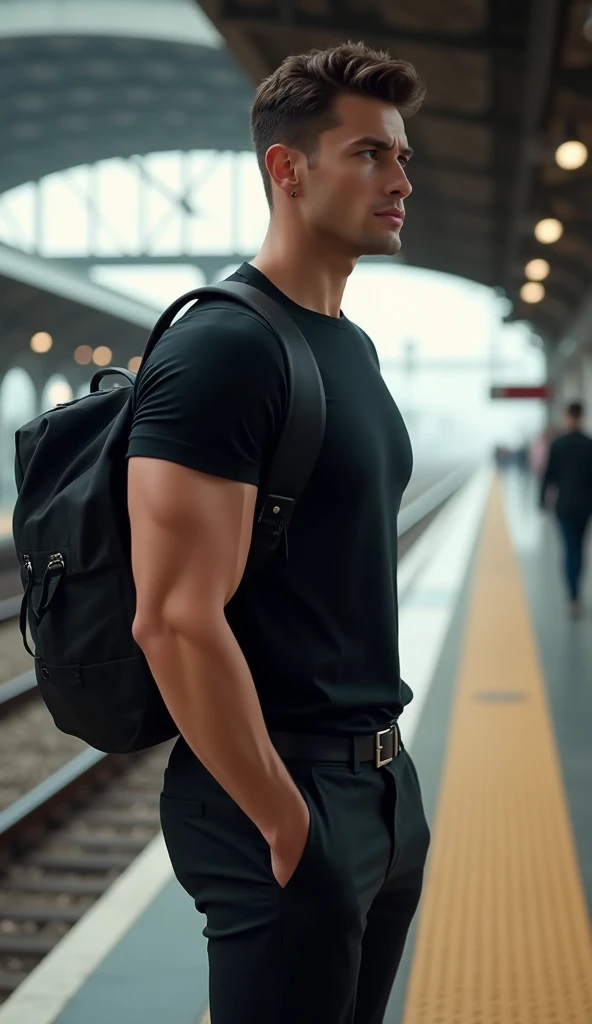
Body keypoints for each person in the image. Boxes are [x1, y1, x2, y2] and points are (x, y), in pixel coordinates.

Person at [126, 42, 430, 1024]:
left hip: (379, 783)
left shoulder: (349, 344)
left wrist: (384, 805)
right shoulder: (224, 351)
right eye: (369, 155)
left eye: (401, 156)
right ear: (286, 169)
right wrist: (282, 818)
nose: (401, 179)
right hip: (281, 791)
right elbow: (172, 616)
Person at [540, 401, 592, 618]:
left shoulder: (557, 444)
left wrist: (541, 501)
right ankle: (576, 595)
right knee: (578, 549)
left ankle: (573, 597)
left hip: (564, 506)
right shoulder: (589, 443)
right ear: (581, 417)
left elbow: (548, 475)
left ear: (566, 416)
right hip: (585, 505)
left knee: (570, 549)